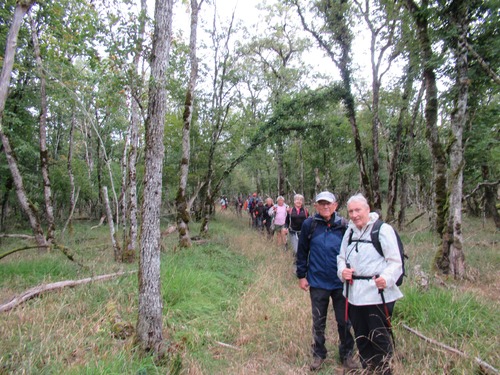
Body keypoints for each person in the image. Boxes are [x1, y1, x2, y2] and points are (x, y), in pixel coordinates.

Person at [337, 193, 403, 375]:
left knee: (379, 337)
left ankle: (385, 370)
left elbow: (395, 262)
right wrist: (342, 271)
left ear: (367, 209)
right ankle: (368, 369)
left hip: (377, 294)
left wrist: (386, 279)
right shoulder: (349, 231)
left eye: (358, 210)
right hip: (354, 294)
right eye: (351, 211)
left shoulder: (382, 230)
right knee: (361, 336)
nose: (354, 214)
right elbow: (341, 257)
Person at [296, 191, 357, 371]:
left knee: (344, 321)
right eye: (321, 203)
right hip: (317, 282)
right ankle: (318, 354)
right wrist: (301, 275)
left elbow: (353, 252)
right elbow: (302, 252)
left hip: (340, 282)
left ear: (336, 205)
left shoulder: (345, 225)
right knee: (318, 321)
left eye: (328, 203)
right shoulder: (310, 225)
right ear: (315, 206)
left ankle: (346, 355)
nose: (325, 206)